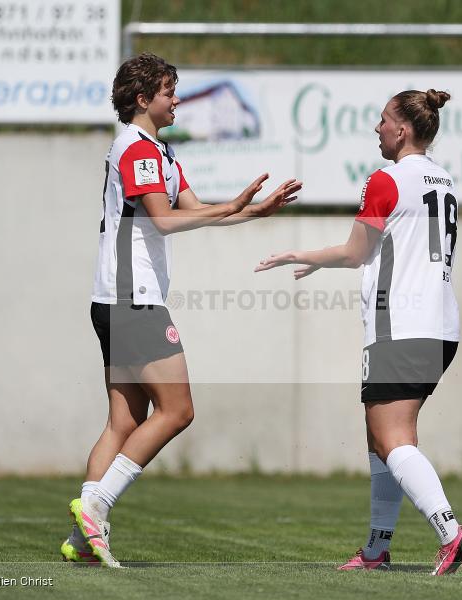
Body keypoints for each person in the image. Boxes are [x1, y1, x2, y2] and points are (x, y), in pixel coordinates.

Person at [61, 53, 302, 567]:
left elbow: (193, 211)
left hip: (118, 299)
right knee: (178, 411)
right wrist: (232, 206)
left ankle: (82, 539)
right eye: (168, 91)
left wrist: (254, 210)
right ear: (141, 98)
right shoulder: (137, 149)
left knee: (123, 423)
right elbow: (164, 221)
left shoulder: (159, 151)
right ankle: (96, 507)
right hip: (133, 299)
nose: (177, 100)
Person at [255, 89, 462, 576]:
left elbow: (356, 251)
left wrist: (299, 254)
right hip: (440, 327)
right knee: (385, 440)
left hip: (401, 325)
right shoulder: (444, 179)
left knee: (391, 439)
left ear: (402, 130)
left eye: (382, 121)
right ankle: (377, 549)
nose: (377, 129)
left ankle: (449, 532)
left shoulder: (385, 179)